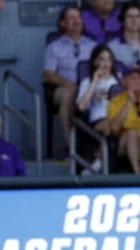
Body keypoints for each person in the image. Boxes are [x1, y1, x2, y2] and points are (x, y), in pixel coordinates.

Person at [43, 6, 97, 147]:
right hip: (63, 88)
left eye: (78, 17)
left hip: (88, 87)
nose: (76, 21)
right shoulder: (54, 47)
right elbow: (49, 75)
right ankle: (71, 146)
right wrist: (70, 84)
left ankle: (96, 148)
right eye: (71, 18)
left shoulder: (92, 45)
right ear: (62, 23)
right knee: (69, 94)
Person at [108, 65, 140, 174]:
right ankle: (138, 174)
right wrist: (129, 102)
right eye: (132, 78)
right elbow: (114, 129)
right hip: (122, 143)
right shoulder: (115, 101)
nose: (137, 81)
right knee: (132, 134)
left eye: (139, 78)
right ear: (123, 82)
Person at [76, 45, 119, 136]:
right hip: (99, 119)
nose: (106, 63)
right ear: (95, 62)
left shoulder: (118, 80)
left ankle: (100, 151)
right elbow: (81, 107)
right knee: (112, 125)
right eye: (102, 59)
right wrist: (95, 82)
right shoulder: (87, 82)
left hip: (119, 117)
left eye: (108, 60)